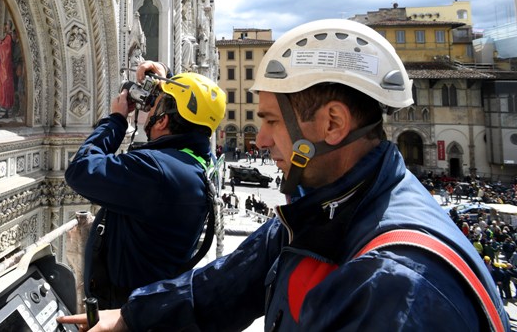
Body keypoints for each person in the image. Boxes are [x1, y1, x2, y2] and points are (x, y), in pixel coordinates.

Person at [59, 19, 508, 331]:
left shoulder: (393, 285)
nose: (261, 141)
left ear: (331, 124)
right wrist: (132, 317)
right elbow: (223, 286)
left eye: (272, 121)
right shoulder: (328, 207)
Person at [64, 62, 226, 309]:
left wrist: (116, 121)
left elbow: (80, 171)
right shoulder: (199, 161)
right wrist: (165, 80)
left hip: (125, 313)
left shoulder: (155, 171)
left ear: (163, 121)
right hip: (154, 304)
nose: (149, 112)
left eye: (156, 106)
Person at [0, 20, 17, 120]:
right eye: (4, 26)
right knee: (0, 90)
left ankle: (2, 113)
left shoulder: (9, 37)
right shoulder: (6, 37)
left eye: (6, 25)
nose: (4, 27)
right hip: (2, 68)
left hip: (5, 69)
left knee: (3, 90)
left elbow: (6, 51)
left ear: (9, 26)